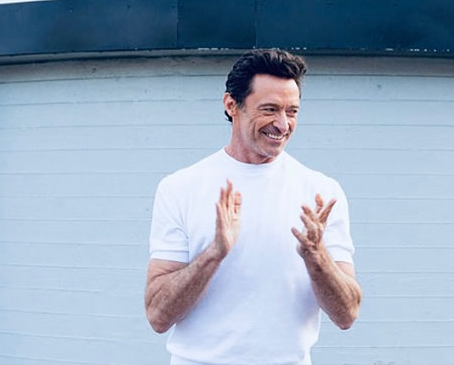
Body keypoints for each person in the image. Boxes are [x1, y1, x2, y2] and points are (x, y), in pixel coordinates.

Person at [145, 48, 361, 365]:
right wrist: (214, 253)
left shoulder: (321, 193)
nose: (283, 124)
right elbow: (157, 316)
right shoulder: (180, 188)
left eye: (293, 111)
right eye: (270, 109)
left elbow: (348, 315)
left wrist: (317, 258)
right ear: (232, 105)